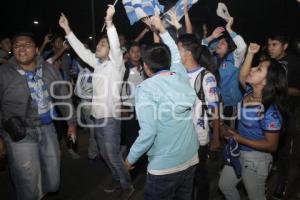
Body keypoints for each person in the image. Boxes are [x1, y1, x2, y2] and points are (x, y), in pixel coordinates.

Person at [59, 5, 134, 200]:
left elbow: (116, 47)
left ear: (110, 51)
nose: (98, 46)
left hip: (110, 118)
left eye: (102, 44)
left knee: (112, 154)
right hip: (97, 118)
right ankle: (118, 179)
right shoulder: (98, 65)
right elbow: (82, 51)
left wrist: (109, 22)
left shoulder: (116, 65)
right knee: (104, 153)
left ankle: (127, 186)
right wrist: (67, 30)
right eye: (99, 43)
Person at [125, 16, 199, 200]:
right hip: (190, 158)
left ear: (146, 67)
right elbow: (174, 52)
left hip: (164, 167)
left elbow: (148, 132)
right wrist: (162, 30)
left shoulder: (146, 88)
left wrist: (130, 159)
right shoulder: (180, 74)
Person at [0, 32, 77, 200]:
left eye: (26, 45)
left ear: (36, 50)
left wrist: (71, 124)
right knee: (28, 179)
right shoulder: (4, 73)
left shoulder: (48, 68)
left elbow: (63, 96)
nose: (21, 48)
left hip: (48, 129)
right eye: (17, 45)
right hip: (19, 133)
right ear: (13, 50)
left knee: (53, 177)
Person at [218, 43, 288, 200]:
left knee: (255, 196)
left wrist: (238, 138)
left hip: (256, 160)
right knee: (225, 185)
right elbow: (242, 77)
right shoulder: (249, 93)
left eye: (259, 69)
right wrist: (249, 53)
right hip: (239, 152)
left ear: (266, 82)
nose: (252, 69)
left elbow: (272, 145)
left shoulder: (269, 111)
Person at [176, 33, 220, 200]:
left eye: (178, 48)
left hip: (198, 137)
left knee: (199, 176)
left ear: (187, 52)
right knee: (184, 177)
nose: (176, 52)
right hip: (181, 135)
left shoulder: (205, 76)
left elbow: (215, 109)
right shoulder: (178, 73)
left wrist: (216, 137)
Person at [267, 33, 300, 199]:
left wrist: (279, 89)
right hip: (268, 111)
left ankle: (282, 182)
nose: (270, 48)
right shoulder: (269, 62)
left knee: (283, 149)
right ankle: (267, 173)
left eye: (274, 44)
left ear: (285, 46)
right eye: (269, 44)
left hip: (287, 112)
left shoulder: (294, 63)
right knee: (269, 147)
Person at [202, 17, 247, 128]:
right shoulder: (214, 59)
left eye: (223, 43)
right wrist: (212, 36)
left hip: (231, 104)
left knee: (230, 133)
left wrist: (229, 29)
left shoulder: (234, 59)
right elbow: (200, 48)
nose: (218, 45)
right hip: (217, 103)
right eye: (219, 42)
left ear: (229, 47)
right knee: (218, 130)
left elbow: (242, 46)